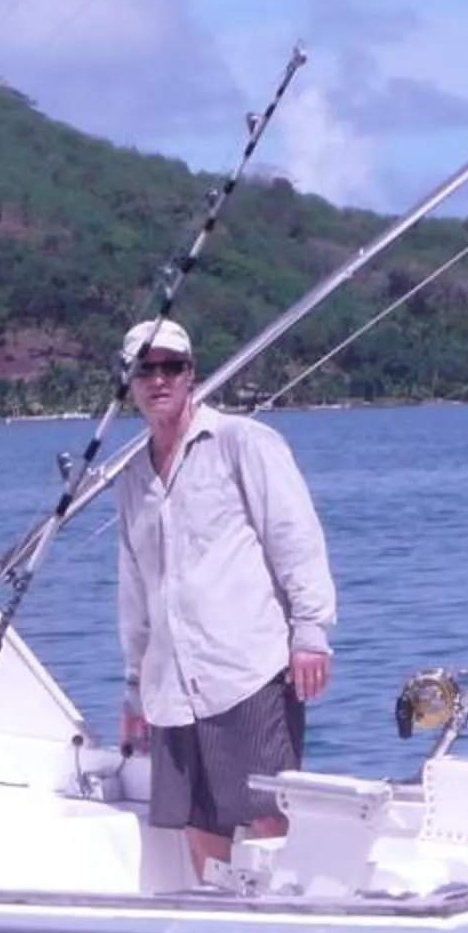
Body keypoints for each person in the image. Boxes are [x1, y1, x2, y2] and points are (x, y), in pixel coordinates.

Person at [112, 316, 335, 880]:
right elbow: (135, 589)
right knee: (199, 819)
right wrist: (136, 688)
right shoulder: (131, 477)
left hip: (247, 667)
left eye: (171, 367)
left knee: (266, 815)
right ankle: (220, 919)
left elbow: (296, 538)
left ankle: (288, 921)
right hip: (170, 684)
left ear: (192, 375)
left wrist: (311, 634)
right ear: (129, 380)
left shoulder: (244, 443)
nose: (158, 379)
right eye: (146, 369)